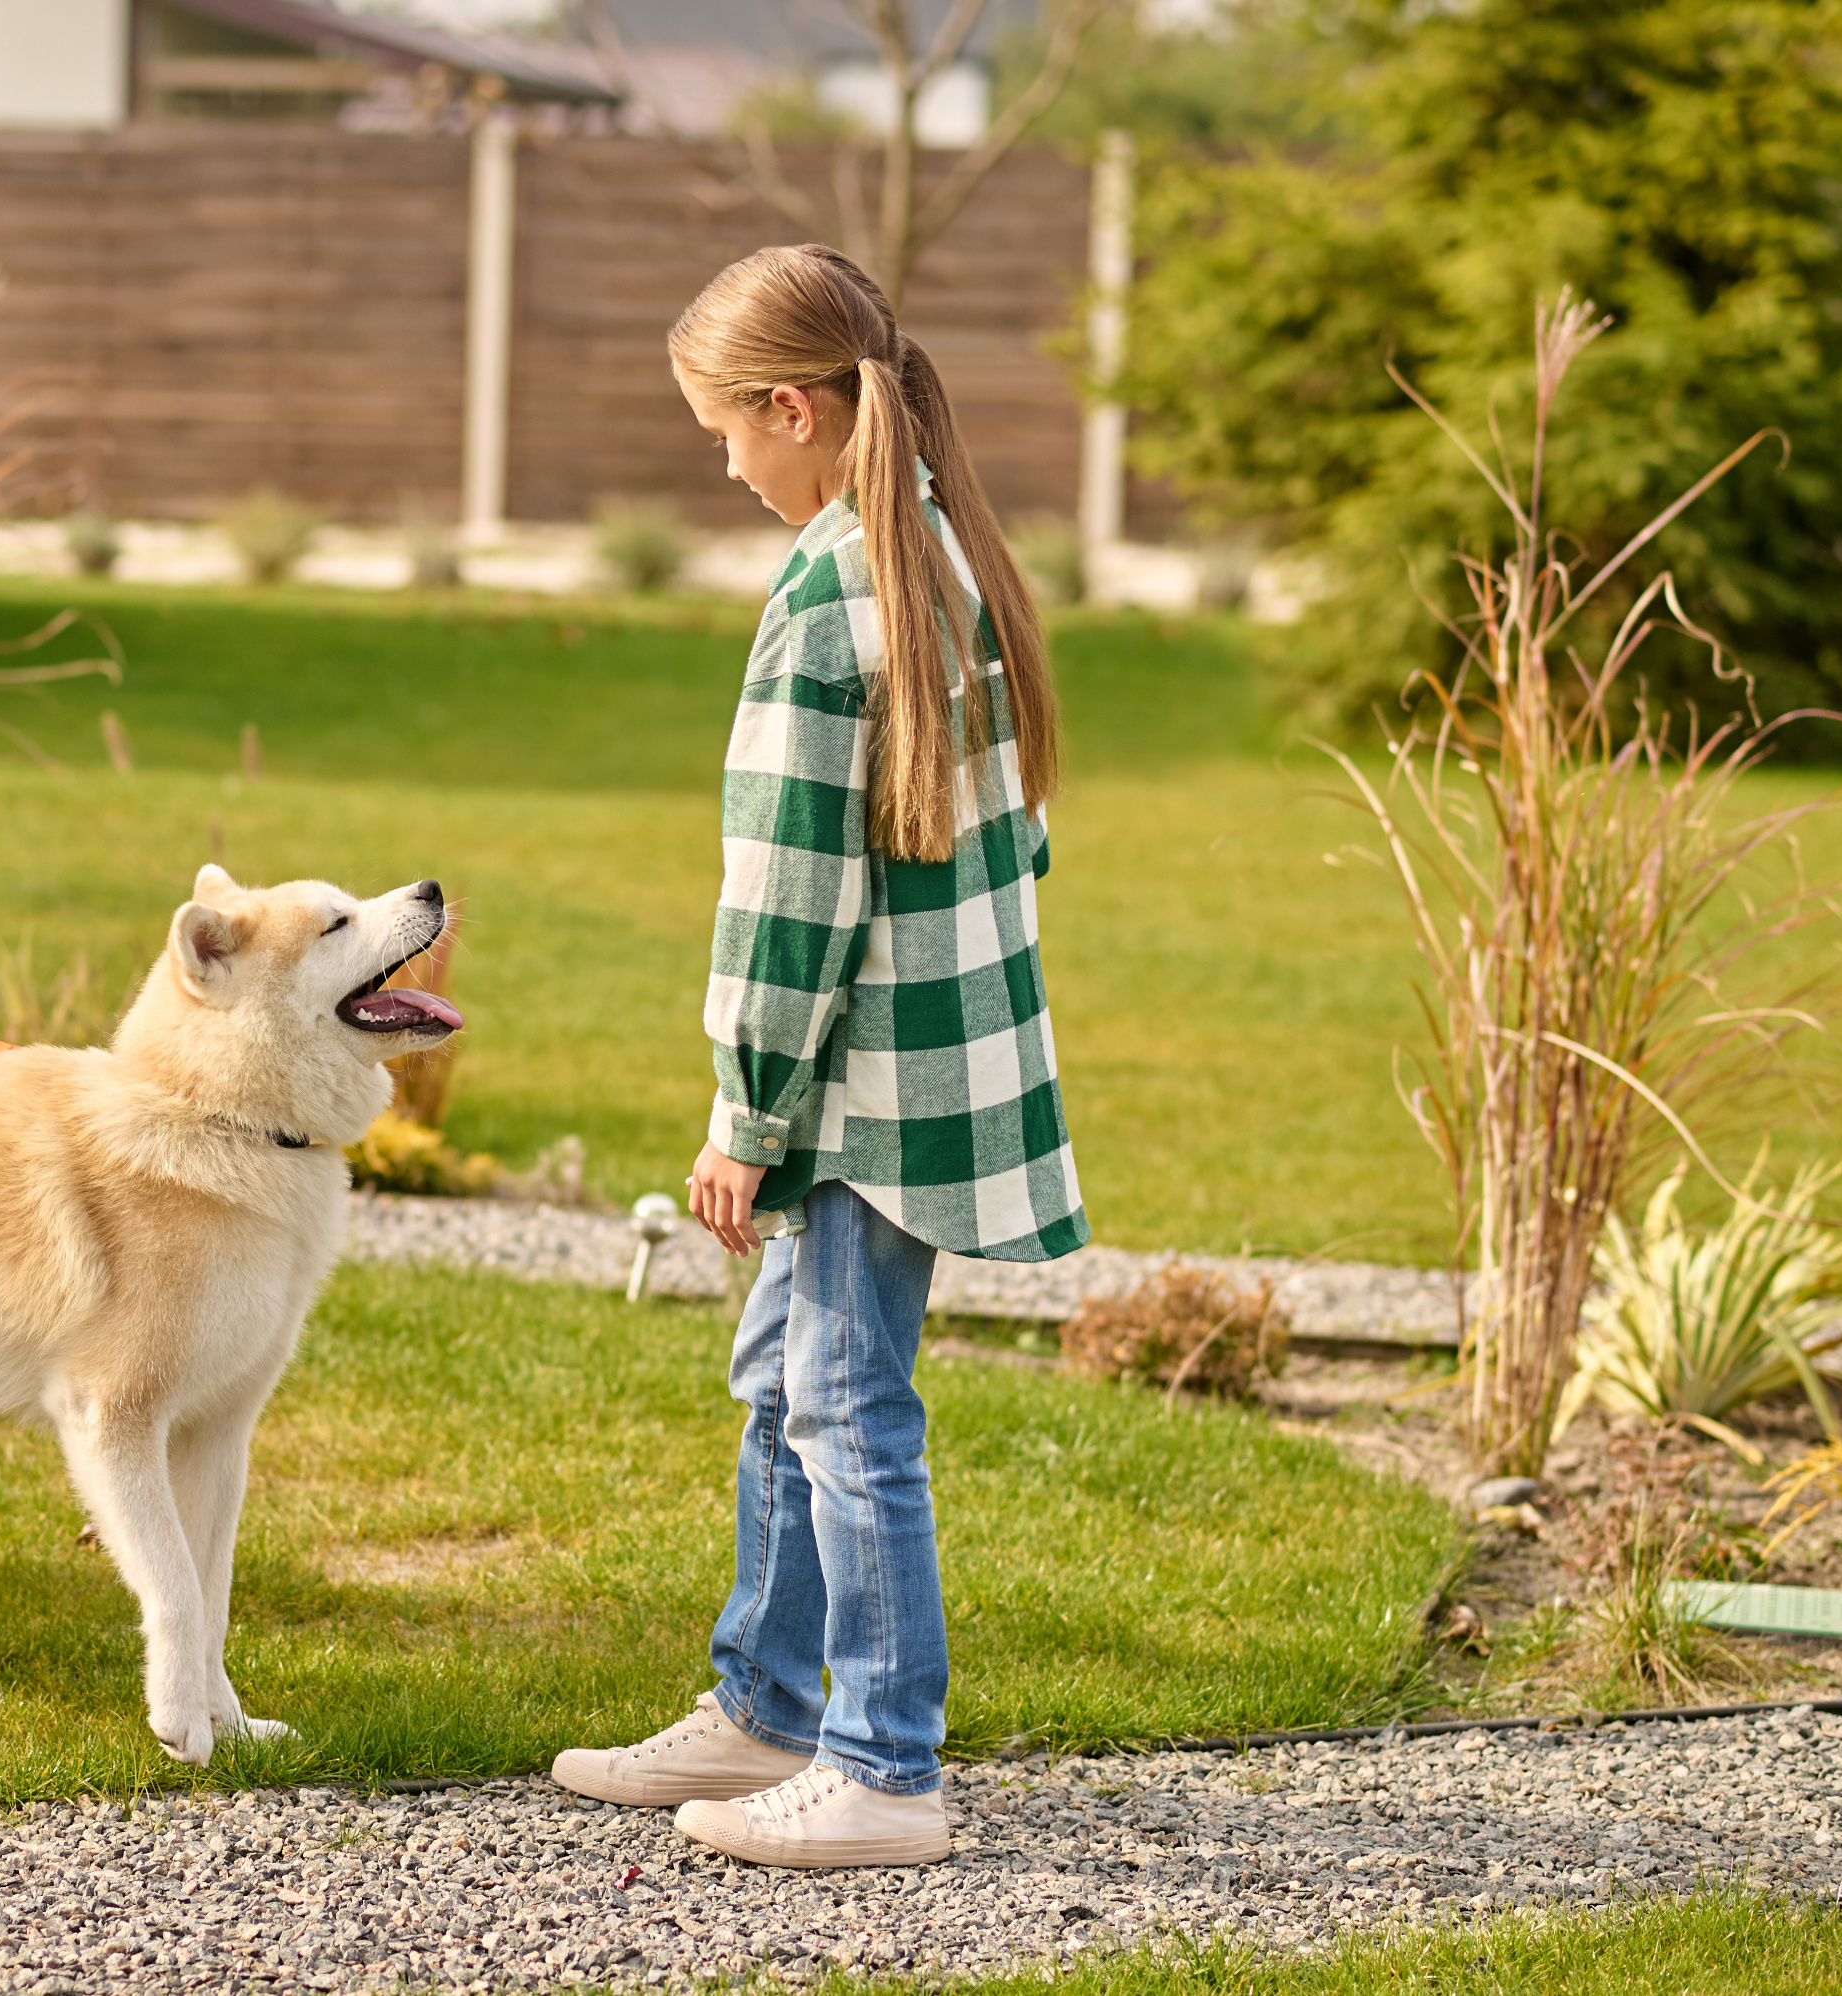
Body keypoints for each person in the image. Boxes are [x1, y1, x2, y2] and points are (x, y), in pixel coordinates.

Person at [551, 245, 1086, 1868]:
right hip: (941, 1064)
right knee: (786, 1375)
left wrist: (745, 1118)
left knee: (846, 1404)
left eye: (725, 427)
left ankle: (882, 1768)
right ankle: (768, 1707)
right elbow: (1013, 846)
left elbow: (791, 905)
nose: (723, 462)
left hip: (855, 1092)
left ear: (794, 407)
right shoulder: (942, 550)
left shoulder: (830, 594)